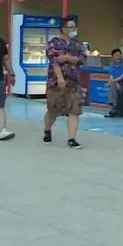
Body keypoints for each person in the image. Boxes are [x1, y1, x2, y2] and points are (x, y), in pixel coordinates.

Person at [43, 16, 86, 149]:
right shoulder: (54, 43)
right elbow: (54, 61)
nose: (73, 29)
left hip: (74, 82)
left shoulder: (78, 44)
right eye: (70, 27)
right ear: (63, 29)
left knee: (74, 110)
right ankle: (47, 129)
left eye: (75, 27)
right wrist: (60, 78)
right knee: (53, 110)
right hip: (55, 83)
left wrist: (67, 57)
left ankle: (71, 139)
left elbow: (82, 59)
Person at [104, 48, 123, 118]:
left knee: (111, 85)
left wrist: (112, 82)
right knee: (112, 85)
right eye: (116, 55)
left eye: (119, 55)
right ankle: (114, 107)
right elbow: (111, 76)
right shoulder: (112, 65)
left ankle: (114, 107)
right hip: (116, 84)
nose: (118, 57)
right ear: (113, 57)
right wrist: (115, 83)